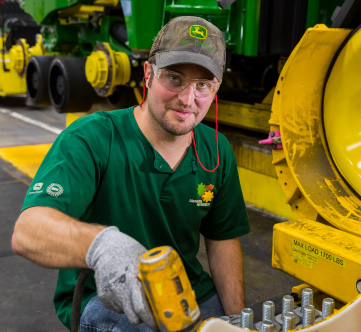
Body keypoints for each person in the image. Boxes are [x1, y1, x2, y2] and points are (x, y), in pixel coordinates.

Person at [11, 16, 250, 332]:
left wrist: (239, 322)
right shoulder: (92, 138)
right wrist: (101, 246)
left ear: (216, 88)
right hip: (103, 297)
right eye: (174, 79)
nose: (187, 100)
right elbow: (28, 232)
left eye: (203, 85)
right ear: (148, 74)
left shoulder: (215, 150)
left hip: (184, 293)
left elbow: (222, 241)